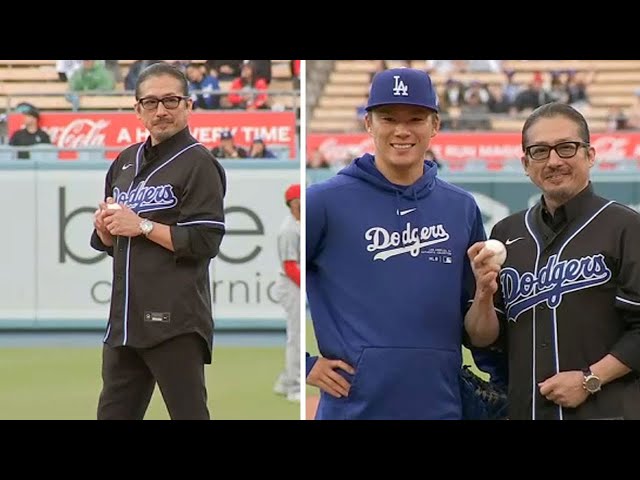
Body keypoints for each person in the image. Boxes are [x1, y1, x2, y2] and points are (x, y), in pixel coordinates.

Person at [305, 67, 501, 420]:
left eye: (416, 118)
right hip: (354, 408)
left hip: (439, 406)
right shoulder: (324, 201)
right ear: (369, 124)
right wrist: (301, 364)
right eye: (388, 118)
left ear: (435, 126)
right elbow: (280, 279)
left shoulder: (460, 208)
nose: (402, 130)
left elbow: (479, 334)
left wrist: (486, 295)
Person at [466, 101, 640, 420]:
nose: (554, 160)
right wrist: (483, 294)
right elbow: (483, 337)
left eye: (567, 147)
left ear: (590, 155)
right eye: (540, 151)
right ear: (525, 163)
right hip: (526, 410)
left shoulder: (626, 227)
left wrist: (591, 379)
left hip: (607, 411)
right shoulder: (507, 231)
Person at [90, 62, 227, 420]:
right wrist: (107, 231)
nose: (161, 110)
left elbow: (204, 242)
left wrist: (143, 226)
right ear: (137, 110)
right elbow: (114, 241)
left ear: (188, 105)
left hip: (176, 322)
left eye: (170, 100)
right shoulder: (124, 161)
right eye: (150, 102)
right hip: (124, 322)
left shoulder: (199, 163)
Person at [273, 183, 301, 403]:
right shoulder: (288, 229)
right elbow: (290, 265)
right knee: (296, 336)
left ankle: (285, 380)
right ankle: (293, 386)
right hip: (291, 284)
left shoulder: (300, 224)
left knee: (297, 335)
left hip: (296, 283)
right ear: (293, 203)